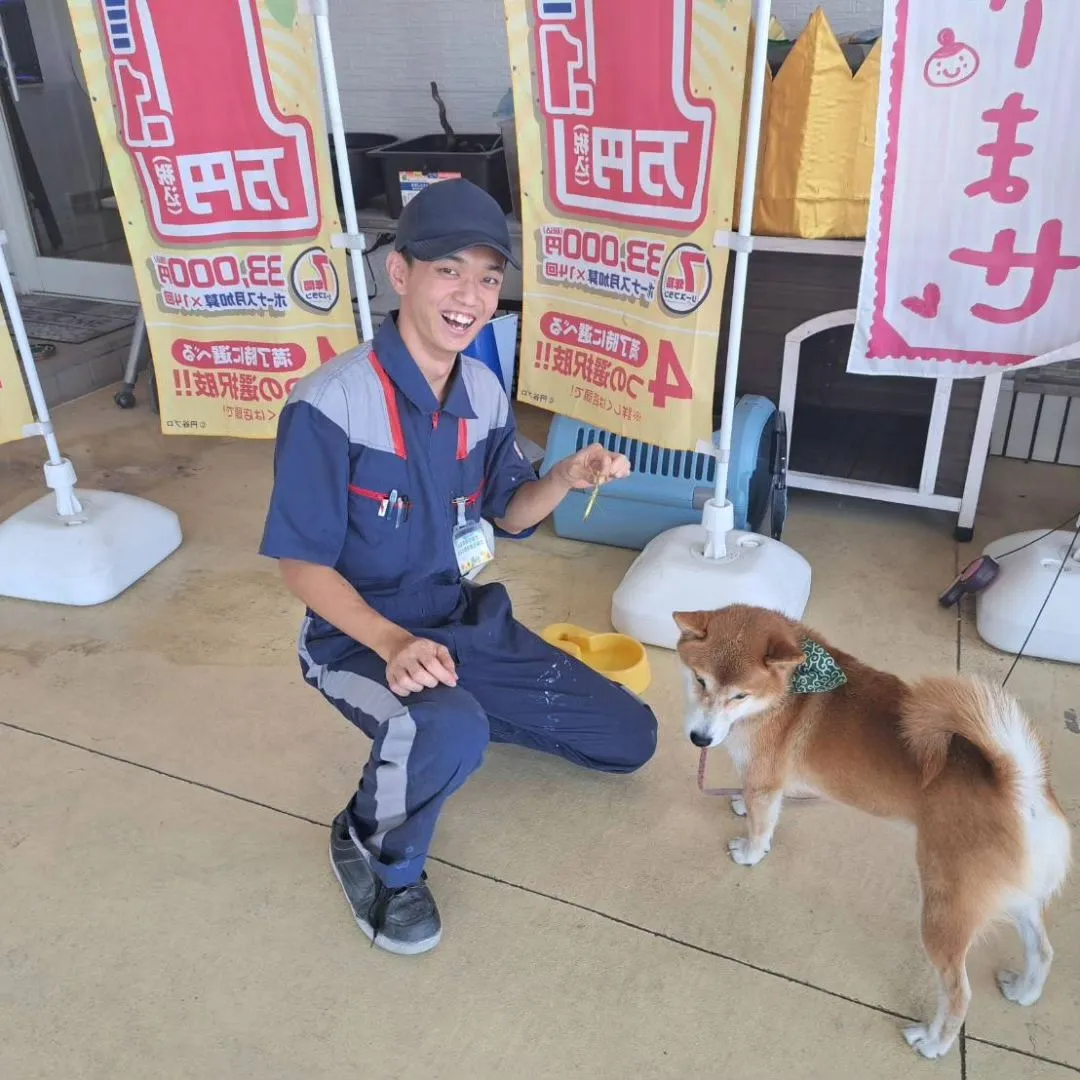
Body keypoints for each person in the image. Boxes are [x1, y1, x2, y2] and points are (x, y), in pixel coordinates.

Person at [259, 179, 657, 956]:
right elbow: (301, 567)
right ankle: (376, 851)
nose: (470, 295)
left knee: (629, 738)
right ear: (400, 273)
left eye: (488, 277)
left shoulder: (481, 388)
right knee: (448, 724)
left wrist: (565, 478)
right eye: (449, 270)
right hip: (357, 638)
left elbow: (508, 512)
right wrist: (391, 643)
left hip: (460, 622)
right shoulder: (329, 405)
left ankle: (453, 730)